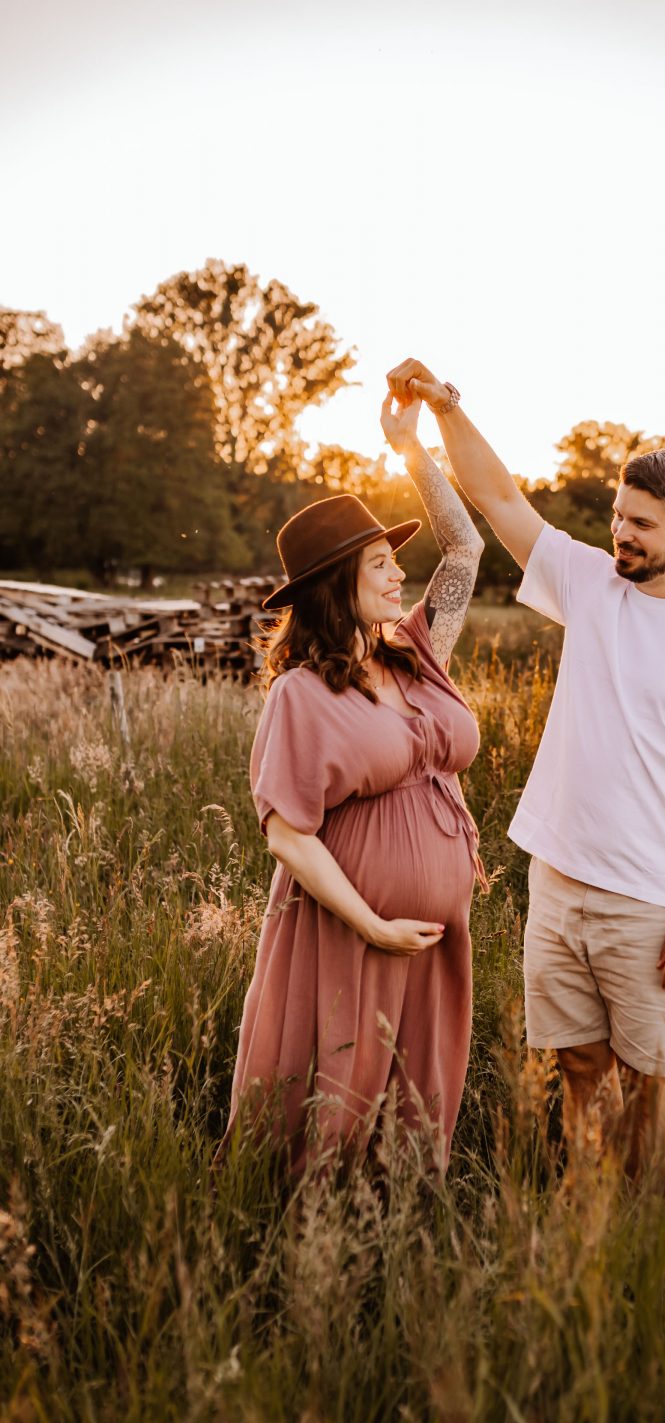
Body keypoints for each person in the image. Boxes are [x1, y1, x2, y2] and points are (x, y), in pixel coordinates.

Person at [385, 359, 665, 1180]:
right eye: (617, 516)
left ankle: (642, 1231)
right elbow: (499, 498)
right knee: (576, 1066)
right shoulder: (593, 584)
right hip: (558, 884)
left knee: (651, 1079)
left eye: (641, 524)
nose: (621, 536)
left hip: (655, 902)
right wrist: (442, 410)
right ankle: (586, 1208)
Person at [213, 392, 486, 1178]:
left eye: (397, 560)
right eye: (380, 564)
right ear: (338, 582)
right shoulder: (302, 693)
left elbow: (464, 551)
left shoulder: (414, 652)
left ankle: (394, 1253)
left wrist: (410, 447)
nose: (401, 574)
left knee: (411, 1112)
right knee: (334, 1102)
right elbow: (288, 832)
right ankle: (299, 1255)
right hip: (348, 932)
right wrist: (372, 922)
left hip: (433, 939)